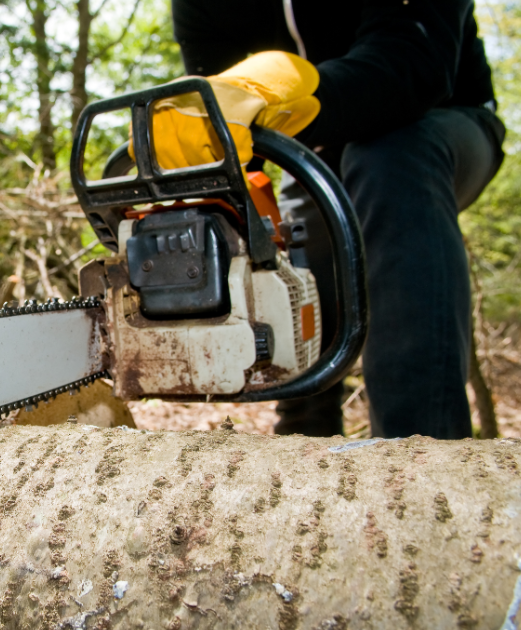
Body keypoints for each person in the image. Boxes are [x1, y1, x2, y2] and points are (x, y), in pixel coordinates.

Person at [155, 1, 505, 439]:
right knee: (300, 248)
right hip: (317, 153)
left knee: (389, 161)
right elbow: (217, 93)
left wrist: (308, 97)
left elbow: (414, 58)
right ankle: (304, 434)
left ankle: (422, 443)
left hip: (438, 121)